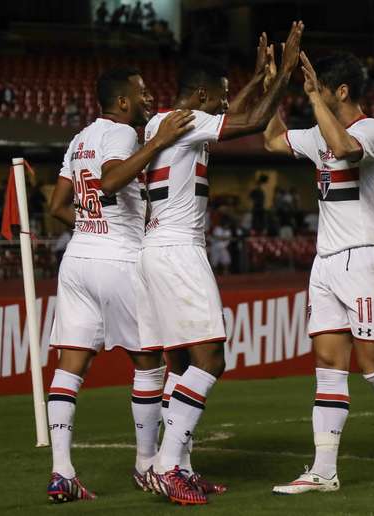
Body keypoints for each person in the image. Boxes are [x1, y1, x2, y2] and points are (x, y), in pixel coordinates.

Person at [137, 24, 304, 505]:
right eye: (222, 97)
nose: (226, 105)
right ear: (202, 95)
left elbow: (235, 108)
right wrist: (285, 73)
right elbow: (250, 123)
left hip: (158, 249)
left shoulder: (165, 123)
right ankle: (168, 465)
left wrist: (254, 80)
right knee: (212, 358)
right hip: (178, 249)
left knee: (181, 363)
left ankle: (180, 467)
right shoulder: (187, 121)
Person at [263, 51, 374, 493]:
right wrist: (273, 89)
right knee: (327, 364)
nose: (313, 96)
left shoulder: (371, 131)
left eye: (319, 87)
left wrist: (312, 100)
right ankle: (324, 471)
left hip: (368, 258)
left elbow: (344, 149)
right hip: (325, 262)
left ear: (340, 91)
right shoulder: (316, 134)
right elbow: (272, 140)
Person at [45, 68, 195, 503]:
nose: (148, 97)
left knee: (69, 367)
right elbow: (111, 179)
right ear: (123, 102)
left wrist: (93, 225)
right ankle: (147, 464)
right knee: (150, 363)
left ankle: (61, 472)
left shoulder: (79, 139)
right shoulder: (124, 134)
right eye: (142, 92)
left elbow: (56, 205)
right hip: (119, 258)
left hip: (77, 259)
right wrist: (157, 141)